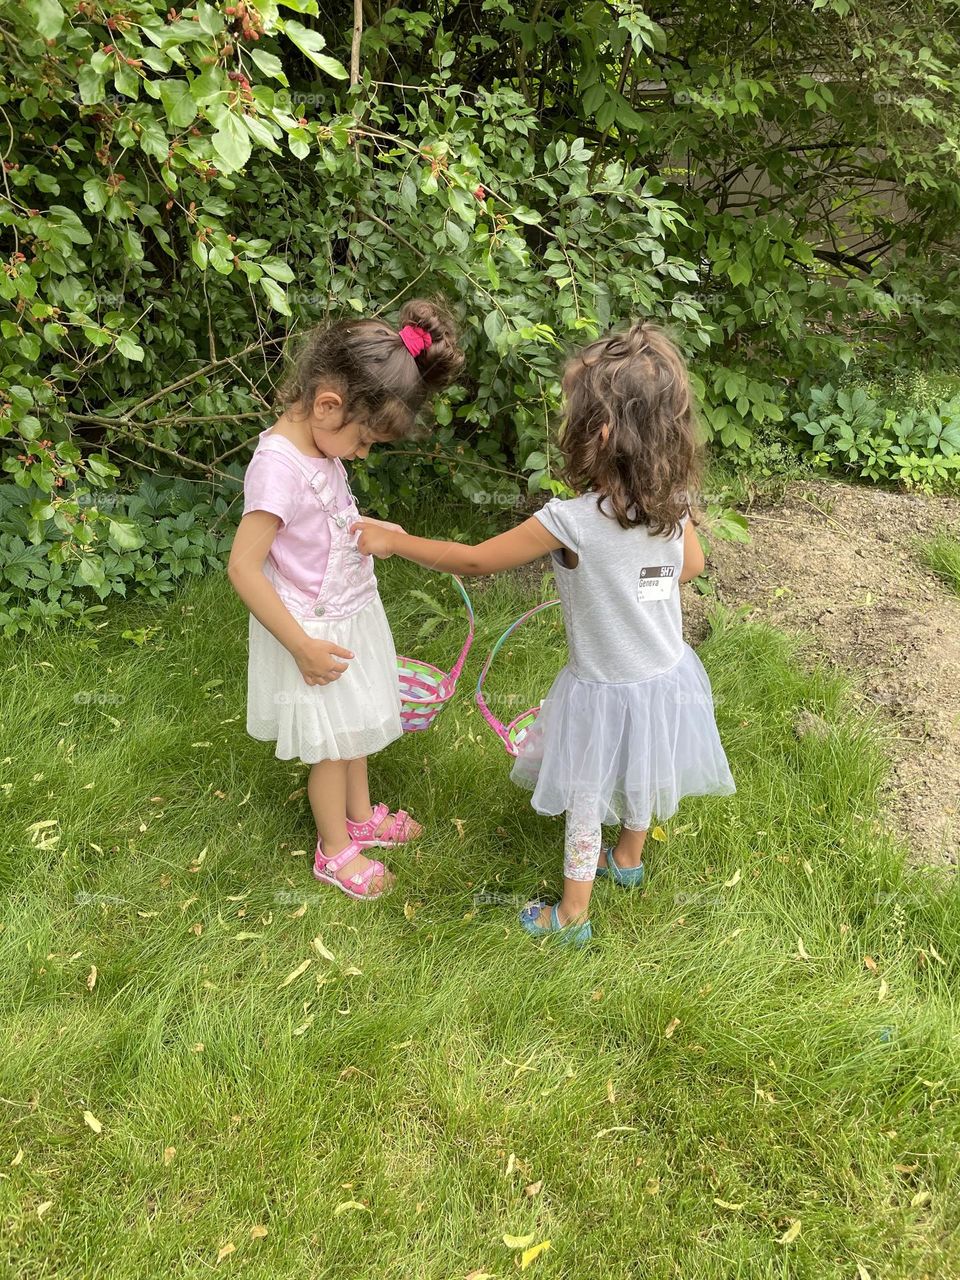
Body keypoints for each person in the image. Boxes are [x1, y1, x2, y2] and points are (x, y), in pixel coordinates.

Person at [353, 321, 735, 942]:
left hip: (603, 685)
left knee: (586, 793)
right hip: (666, 673)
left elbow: (475, 559)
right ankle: (629, 861)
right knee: (644, 764)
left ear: (602, 432)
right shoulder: (674, 497)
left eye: (575, 415)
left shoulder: (572, 521)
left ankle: (572, 915)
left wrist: (394, 541)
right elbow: (690, 566)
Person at [228, 300, 464, 900]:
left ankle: (360, 816)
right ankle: (334, 848)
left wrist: (368, 529)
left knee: (353, 727)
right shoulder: (277, 467)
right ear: (329, 404)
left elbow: (324, 520)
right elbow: (244, 567)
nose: (361, 454)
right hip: (312, 626)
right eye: (363, 441)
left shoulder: (320, 444)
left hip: (348, 609)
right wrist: (302, 646)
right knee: (332, 746)